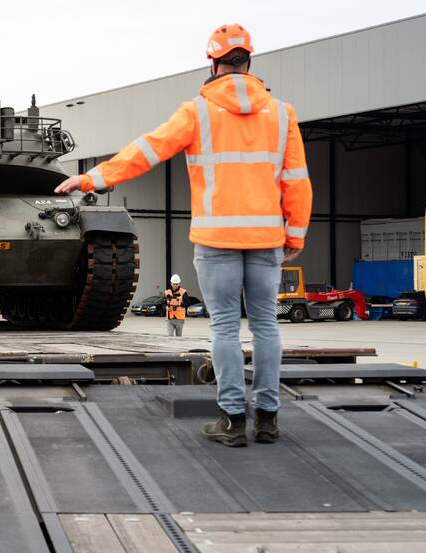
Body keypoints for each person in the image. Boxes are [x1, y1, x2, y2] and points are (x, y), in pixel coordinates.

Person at [55, 24, 313, 447]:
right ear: (248, 61)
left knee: (226, 329)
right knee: (267, 326)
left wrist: (91, 179)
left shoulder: (198, 111)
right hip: (267, 238)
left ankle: (233, 422)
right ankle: (267, 419)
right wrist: (295, 236)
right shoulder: (283, 114)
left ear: (213, 62)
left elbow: (146, 151)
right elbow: (297, 182)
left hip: (216, 241)